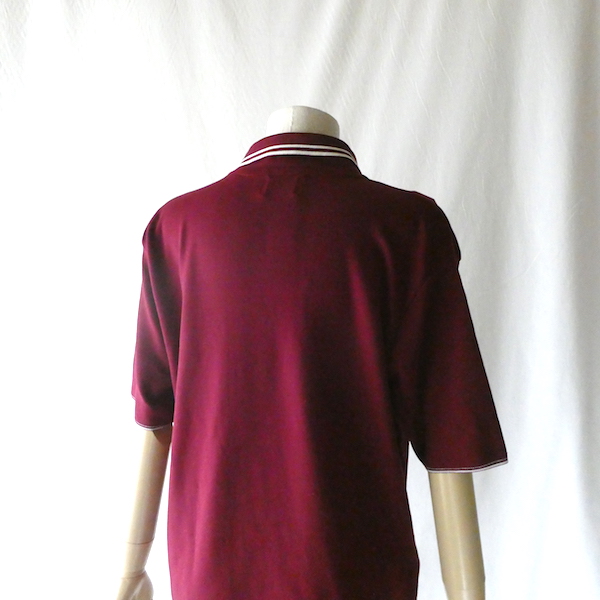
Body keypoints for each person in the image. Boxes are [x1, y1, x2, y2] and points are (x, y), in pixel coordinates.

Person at [117, 106, 507, 600]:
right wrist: (468, 589)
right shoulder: (408, 225)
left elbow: (156, 417)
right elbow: (448, 421)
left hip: (211, 568)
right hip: (353, 569)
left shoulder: (177, 226)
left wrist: (130, 568)